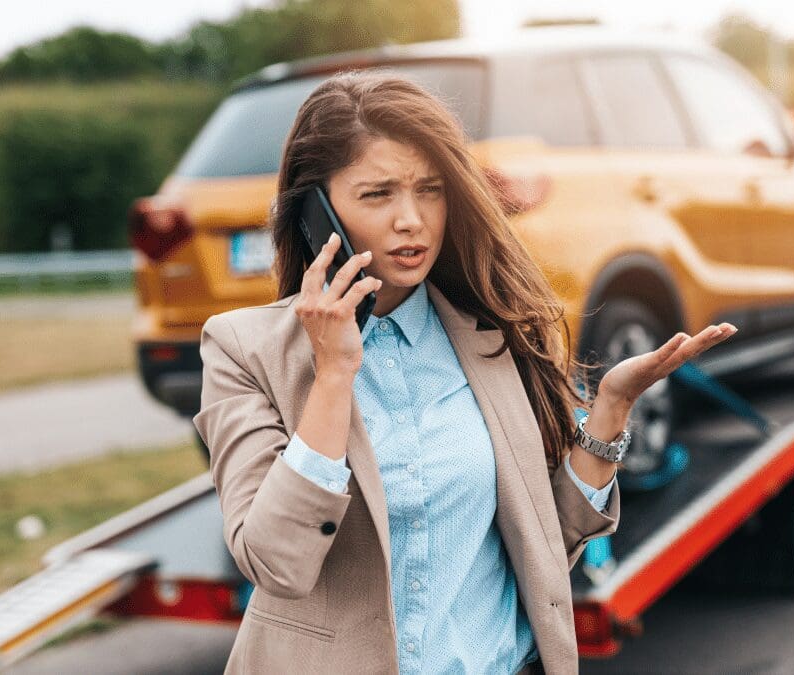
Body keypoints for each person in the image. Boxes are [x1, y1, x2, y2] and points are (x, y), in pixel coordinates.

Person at [193, 70, 737, 674]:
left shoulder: (493, 336)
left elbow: (545, 543)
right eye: (377, 194)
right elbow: (276, 563)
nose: (412, 219)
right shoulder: (244, 350)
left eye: (429, 190)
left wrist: (609, 408)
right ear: (314, 212)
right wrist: (333, 376)